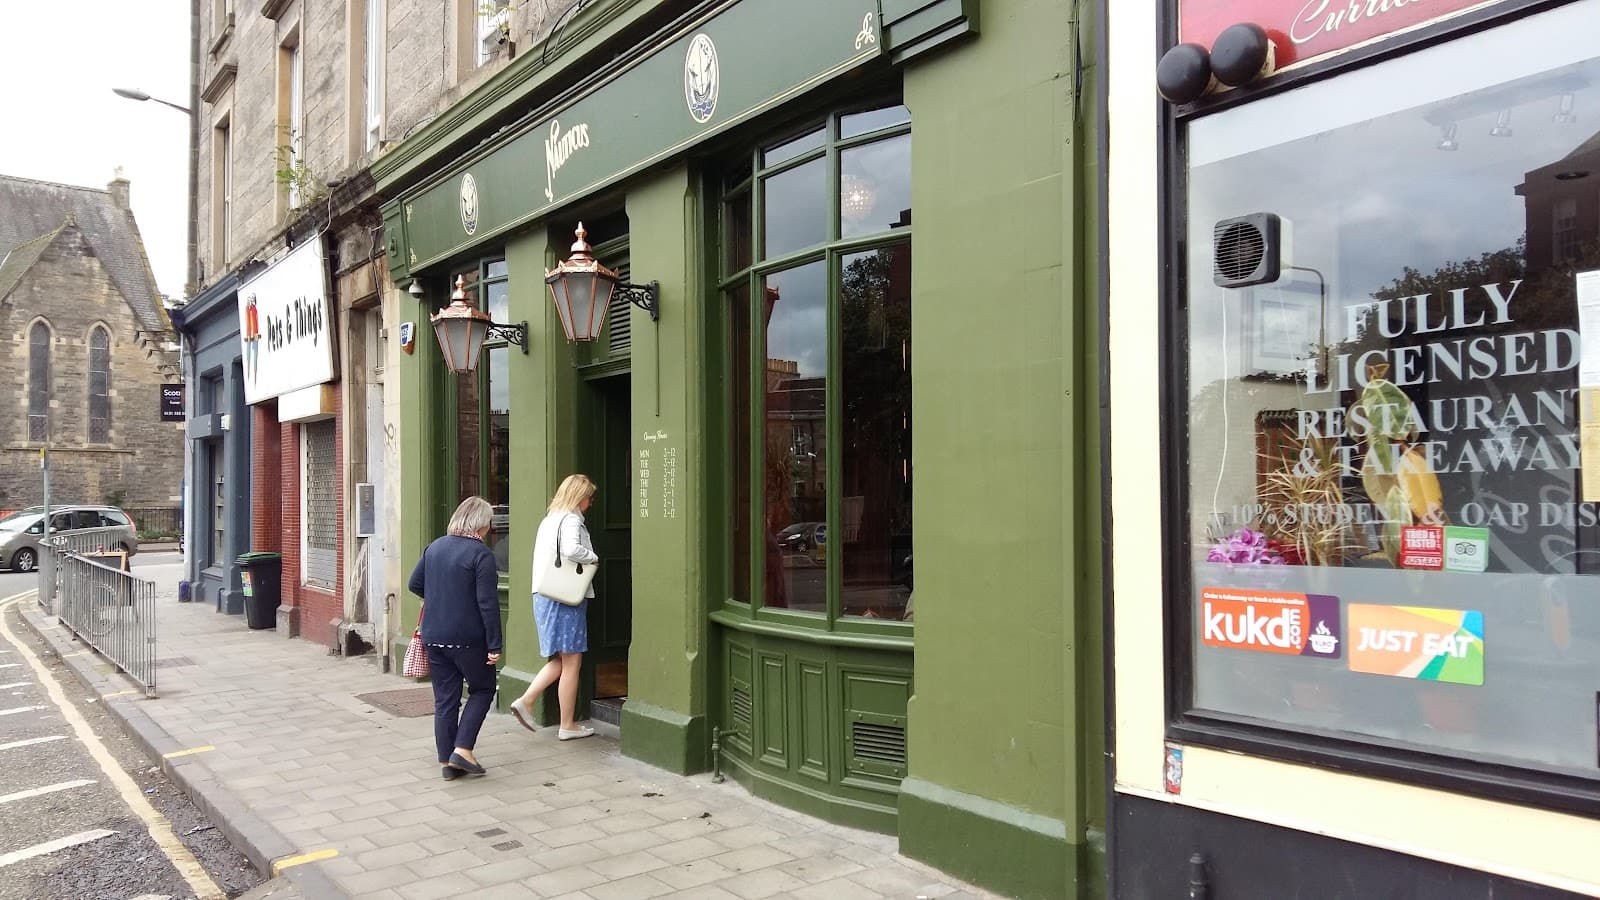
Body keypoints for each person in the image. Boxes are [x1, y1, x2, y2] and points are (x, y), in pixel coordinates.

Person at [408, 496, 503, 780]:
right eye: (489, 522)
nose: (490, 527)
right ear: (481, 523)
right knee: (483, 689)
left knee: (446, 700)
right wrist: (495, 644)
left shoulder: (435, 547)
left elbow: (415, 583)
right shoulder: (481, 554)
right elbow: (487, 603)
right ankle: (462, 749)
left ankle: (447, 763)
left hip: (434, 635)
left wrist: (440, 598)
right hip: (468, 638)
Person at [508, 474, 599, 741]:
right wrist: (593, 557)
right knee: (572, 662)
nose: (590, 503)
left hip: (546, 595)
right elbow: (571, 550)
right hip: (564, 597)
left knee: (561, 659)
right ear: (579, 496)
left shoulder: (549, 520)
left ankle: (527, 701)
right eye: (589, 497)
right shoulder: (570, 520)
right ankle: (566, 724)